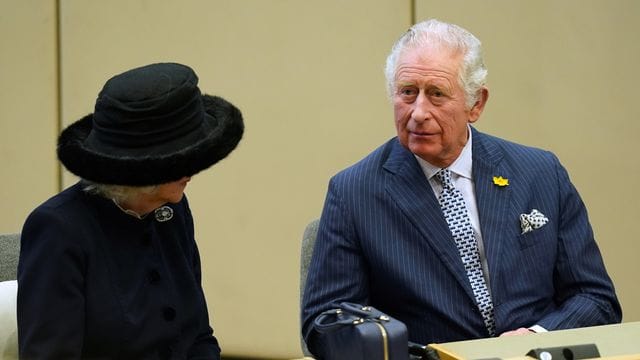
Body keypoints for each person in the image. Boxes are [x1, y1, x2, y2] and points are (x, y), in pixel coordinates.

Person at [301, 19, 621, 356]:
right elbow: (325, 323)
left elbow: (595, 299)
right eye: (408, 92)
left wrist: (535, 339)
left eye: (436, 94)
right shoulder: (354, 192)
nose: (418, 112)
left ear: (476, 104)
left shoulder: (541, 173)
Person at [17, 62, 244, 359]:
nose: (193, 169)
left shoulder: (172, 210)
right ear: (139, 167)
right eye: (180, 158)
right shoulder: (59, 230)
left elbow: (198, 335)